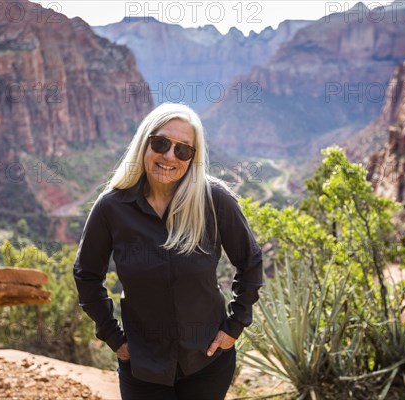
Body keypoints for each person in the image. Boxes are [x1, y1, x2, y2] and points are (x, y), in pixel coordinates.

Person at [73, 102, 264, 400]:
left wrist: (234, 327)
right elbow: (86, 275)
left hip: (208, 362)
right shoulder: (111, 208)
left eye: (182, 150)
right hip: (143, 368)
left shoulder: (215, 200)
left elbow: (250, 261)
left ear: (193, 157)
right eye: (160, 143)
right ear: (144, 144)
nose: (169, 156)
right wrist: (115, 339)